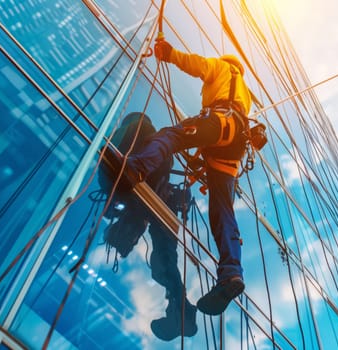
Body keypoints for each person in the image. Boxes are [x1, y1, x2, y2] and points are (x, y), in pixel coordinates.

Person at [126, 39, 252, 315]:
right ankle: (231, 273)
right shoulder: (246, 95)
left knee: (170, 135)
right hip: (232, 150)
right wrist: (197, 160)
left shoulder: (222, 68)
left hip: (220, 123)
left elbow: (196, 64)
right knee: (222, 212)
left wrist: (170, 54)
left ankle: (136, 166)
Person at [99, 112, 197, 341]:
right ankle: (179, 304)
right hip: (154, 197)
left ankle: (179, 304)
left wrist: (114, 205)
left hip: (140, 189)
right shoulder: (154, 139)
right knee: (164, 256)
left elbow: (111, 172)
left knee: (160, 256)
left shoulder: (129, 133)